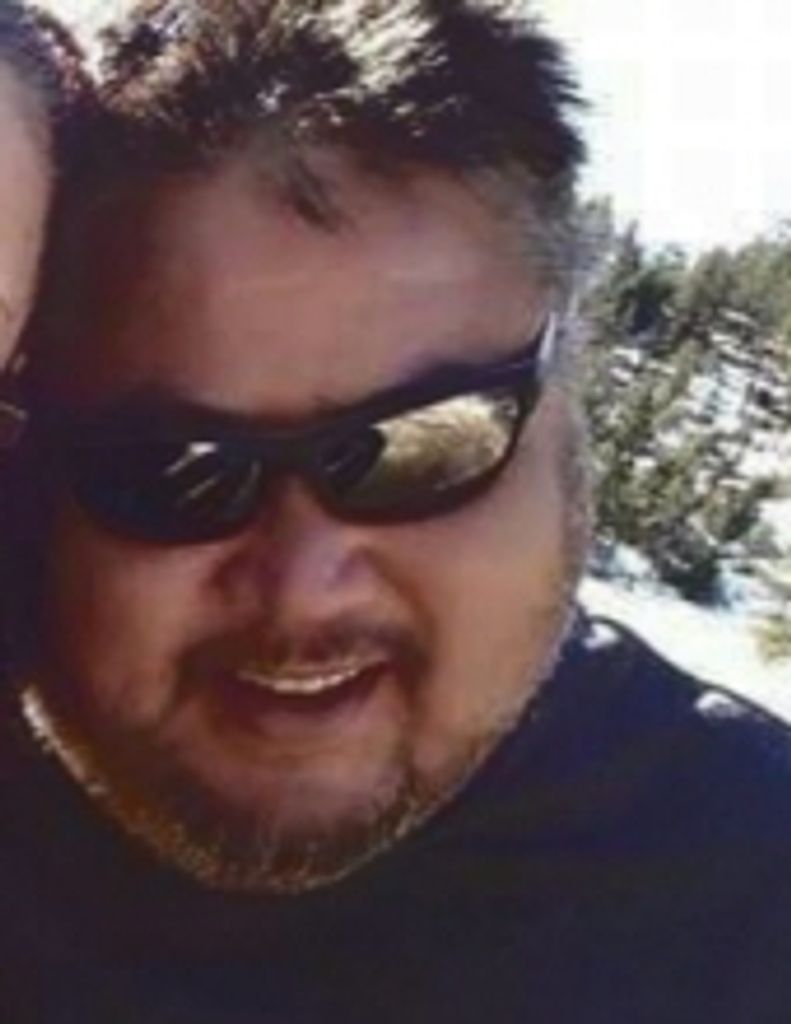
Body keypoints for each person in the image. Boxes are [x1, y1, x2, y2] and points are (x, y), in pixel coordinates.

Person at [4, 1, 791, 1021]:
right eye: (167, 469)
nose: (302, 584)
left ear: (568, 408)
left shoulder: (751, 896)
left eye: (423, 445)